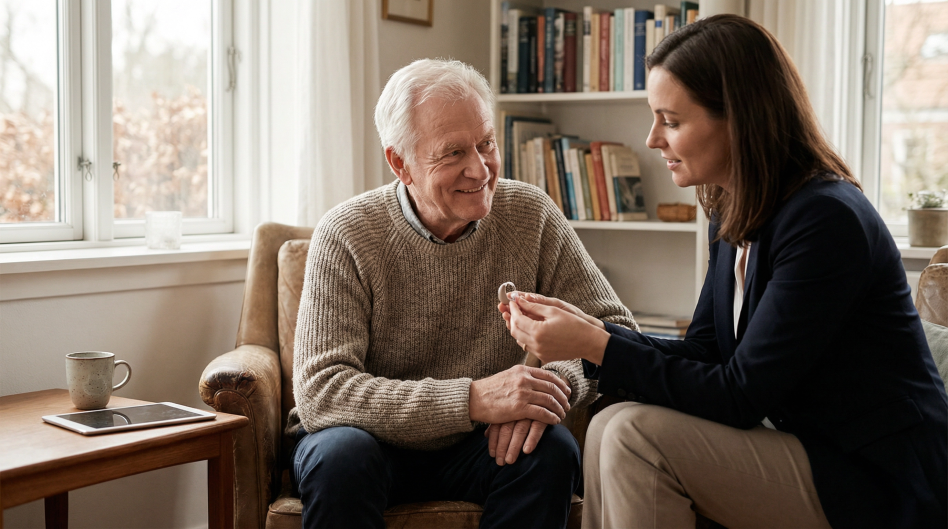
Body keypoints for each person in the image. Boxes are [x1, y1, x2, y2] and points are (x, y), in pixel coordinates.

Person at [504, 15, 948, 529]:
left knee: (633, 434)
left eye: (670, 120)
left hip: (878, 477)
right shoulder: (731, 207)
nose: (652, 139)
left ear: (739, 118)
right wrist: (592, 333)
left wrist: (596, 345)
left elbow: (739, 395)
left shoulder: (826, 220)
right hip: (804, 446)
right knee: (608, 424)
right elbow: (705, 353)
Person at [287, 58, 634, 529]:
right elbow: (321, 391)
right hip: (366, 442)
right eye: (452, 153)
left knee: (549, 450)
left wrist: (543, 392)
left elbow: (615, 332)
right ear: (400, 162)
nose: (480, 168)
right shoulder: (346, 233)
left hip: (484, 445)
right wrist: (471, 399)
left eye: (486, 143)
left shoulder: (529, 214)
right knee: (342, 456)